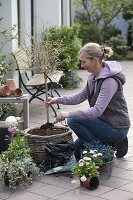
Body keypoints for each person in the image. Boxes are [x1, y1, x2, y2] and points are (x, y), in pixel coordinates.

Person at [46, 42, 130, 160]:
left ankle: (105, 151)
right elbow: (80, 97)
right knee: (75, 152)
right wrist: (57, 100)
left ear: (95, 60)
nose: (81, 65)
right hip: (102, 122)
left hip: (116, 127)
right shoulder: (93, 76)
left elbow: (96, 111)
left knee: (73, 120)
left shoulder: (110, 81)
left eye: (84, 61)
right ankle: (111, 143)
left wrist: (67, 114)